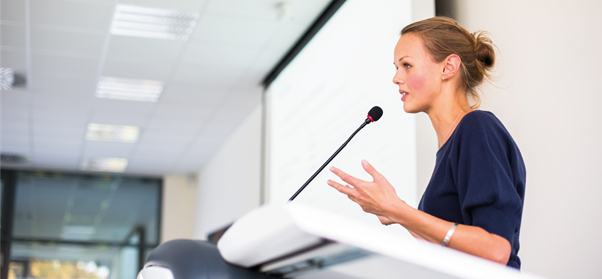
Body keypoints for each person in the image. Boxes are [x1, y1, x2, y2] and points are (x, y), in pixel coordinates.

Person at [326, 16, 526, 269]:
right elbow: (450, 253)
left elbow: (495, 250)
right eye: (396, 67)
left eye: (406, 65)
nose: (396, 78)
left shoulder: (477, 129)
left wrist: (399, 210)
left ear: (448, 67)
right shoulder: (453, 143)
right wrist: (395, 213)